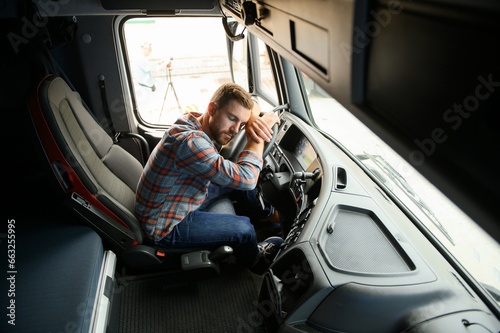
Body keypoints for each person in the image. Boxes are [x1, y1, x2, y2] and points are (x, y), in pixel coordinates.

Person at [135, 83, 284, 274]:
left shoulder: (194, 120)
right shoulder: (191, 143)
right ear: (212, 108)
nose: (235, 130)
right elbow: (248, 178)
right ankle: (255, 261)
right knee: (245, 228)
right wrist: (258, 136)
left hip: (178, 199)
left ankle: (269, 216)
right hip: (164, 226)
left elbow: (252, 104)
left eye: (242, 124)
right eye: (231, 119)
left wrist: (254, 119)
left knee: (239, 187)